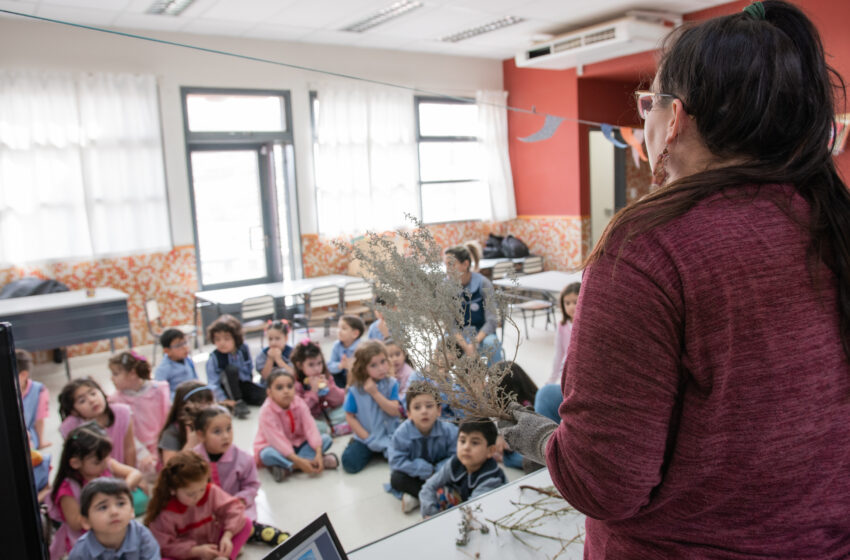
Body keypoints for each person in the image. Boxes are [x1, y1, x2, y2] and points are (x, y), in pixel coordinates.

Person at [501, 2, 850, 557]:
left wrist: (546, 441)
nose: (646, 118)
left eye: (648, 103)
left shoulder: (652, 246)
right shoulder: (829, 216)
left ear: (676, 117)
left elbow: (604, 483)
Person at [191, 406, 289, 546]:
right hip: (205, 512)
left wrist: (239, 501)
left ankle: (258, 533)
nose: (225, 436)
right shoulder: (193, 459)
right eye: (217, 431)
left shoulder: (243, 459)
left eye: (229, 429)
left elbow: (252, 486)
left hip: (236, 508)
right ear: (201, 435)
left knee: (244, 523)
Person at [47, 424, 143, 560]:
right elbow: (75, 523)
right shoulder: (69, 489)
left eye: (107, 457)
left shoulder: (106, 465)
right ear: (75, 463)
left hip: (113, 532)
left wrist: (119, 491)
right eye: (98, 461)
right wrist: (101, 512)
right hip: (85, 541)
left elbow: (135, 474)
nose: (105, 462)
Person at [145, 451, 251, 560]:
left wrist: (227, 536)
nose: (198, 496)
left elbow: (234, 509)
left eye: (202, 489)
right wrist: (196, 551)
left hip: (212, 544)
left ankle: (225, 557)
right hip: (185, 554)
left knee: (246, 523)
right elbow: (164, 546)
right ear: (173, 490)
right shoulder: (165, 511)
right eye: (190, 494)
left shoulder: (210, 491)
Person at [254, 369, 337, 482]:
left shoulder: (299, 402)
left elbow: (310, 427)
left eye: (289, 386)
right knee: (266, 455)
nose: (286, 391)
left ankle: (287, 467)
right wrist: (297, 461)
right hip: (276, 447)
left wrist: (318, 451)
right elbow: (276, 440)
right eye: (279, 388)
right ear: (269, 392)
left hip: (299, 443)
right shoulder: (266, 411)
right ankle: (298, 465)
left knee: (325, 439)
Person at [388, 382, 458, 513]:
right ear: (408, 413)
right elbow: (396, 461)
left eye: (429, 406)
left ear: (438, 410)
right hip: (415, 474)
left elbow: (456, 456)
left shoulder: (449, 430)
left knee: (461, 472)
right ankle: (434, 496)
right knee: (396, 479)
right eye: (417, 407)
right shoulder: (401, 433)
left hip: (440, 472)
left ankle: (417, 498)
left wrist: (437, 470)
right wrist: (422, 469)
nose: (424, 411)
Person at [419, 418, 506, 518]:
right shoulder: (455, 462)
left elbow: (472, 512)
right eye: (462, 441)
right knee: (439, 492)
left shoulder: (491, 479)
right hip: (463, 504)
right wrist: (431, 515)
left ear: (490, 451)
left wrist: (438, 524)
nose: (466, 447)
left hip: (481, 515)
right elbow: (429, 486)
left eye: (475, 443)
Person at [341, 341, 401, 473]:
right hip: (367, 438)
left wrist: (375, 393)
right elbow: (350, 417)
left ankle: (382, 450)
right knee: (349, 463)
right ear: (363, 368)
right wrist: (367, 438)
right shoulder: (355, 390)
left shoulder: (392, 384)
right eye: (373, 365)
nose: (381, 368)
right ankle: (372, 450)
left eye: (383, 361)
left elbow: (394, 411)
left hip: (391, 436)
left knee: (402, 461)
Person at [68, 477, 160, 560]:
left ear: (132, 511)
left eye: (120, 504)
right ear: (86, 521)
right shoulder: (81, 551)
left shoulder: (143, 536)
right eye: (103, 507)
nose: (114, 512)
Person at [444, 245, 503, 365]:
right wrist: (466, 346)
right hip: (458, 335)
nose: (447, 269)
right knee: (442, 343)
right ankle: (446, 382)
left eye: (451, 264)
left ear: (465, 264)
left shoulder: (484, 283)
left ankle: (497, 381)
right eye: (446, 265)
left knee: (492, 344)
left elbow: (491, 320)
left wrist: (474, 343)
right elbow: (450, 324)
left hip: (482, 334)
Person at [59, 377, 136, 468]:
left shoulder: (122, 412)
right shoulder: (71, 426)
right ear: (73, 411)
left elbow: (129, 448)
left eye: (93, 393)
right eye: (82, 401)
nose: (92, 400)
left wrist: (130, 472)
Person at [108, 351, 171, 458]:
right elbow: (124, 434)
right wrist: (142, 453)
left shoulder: (159, 390)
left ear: (132, 373)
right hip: (137, 451)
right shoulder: (115, 400)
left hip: (163, 444)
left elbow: (168, 419)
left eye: (116, 374)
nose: (111, 378)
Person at [534, 283, 580, 424]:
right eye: (567, 303)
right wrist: (552, 379)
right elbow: (558, 354)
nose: (571, 307)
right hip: (564, 374)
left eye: (575, 302)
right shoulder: (562, 326)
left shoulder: (585, 324)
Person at [206, 314, 264, 419]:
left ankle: (243, 399)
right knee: (230, 369)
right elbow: (213, 384)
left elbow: (249, 368)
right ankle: (237, 402)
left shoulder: (243, 348)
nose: (222, 343)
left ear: (236, 338)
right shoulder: (214, 358)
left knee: (265, 396)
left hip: (244, 384)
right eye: (217, 339)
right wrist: (223, 399)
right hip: (226, 391)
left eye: (226, 339)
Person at [290, 339, 348, 436]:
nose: (317, 368)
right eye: (311, 365)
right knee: (300, 424)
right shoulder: (295, 383)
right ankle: (330, 429)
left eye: (319, 363)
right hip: (307, 418)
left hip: (324, 414)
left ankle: (329, 428)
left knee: (348, 408)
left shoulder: (324, 376)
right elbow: (299, 410)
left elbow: (340, 400)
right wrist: (313, 391)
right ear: (299, 365)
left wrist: (329, 388)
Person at [16, 348, 51, 494]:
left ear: (23, 375)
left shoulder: (39, 390)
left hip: (29, 433)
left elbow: (39, 420)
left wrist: (41, 441)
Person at [492, 361, 538, 470]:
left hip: (536, 452)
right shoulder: (533, 398)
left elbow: (527, 440)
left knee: (511, 458)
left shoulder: (524, 408)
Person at [158, 381, 215, 466]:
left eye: (209, 403)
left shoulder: (213, 425)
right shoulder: (172, 432)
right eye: (201, 404)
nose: (207, 409)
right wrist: (191, 443)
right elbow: (171, 468)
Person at [154, 329, 198, 399]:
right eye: (178, 345)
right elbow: (160, 392)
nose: (185, 347)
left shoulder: (188, 360)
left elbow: (196, 379)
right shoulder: (163, 369)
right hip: (178, 402)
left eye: (185, 342)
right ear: (167, 351)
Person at [328, 315, 365, 388]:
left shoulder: (362, 347)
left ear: (355, 334)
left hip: (357, 377)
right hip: (341, 376)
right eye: (338, 327)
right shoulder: (337, 345)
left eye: (344, 328)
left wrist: (352, 366)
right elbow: (329, 365)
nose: (339, 331)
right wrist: (341, 365)